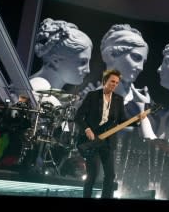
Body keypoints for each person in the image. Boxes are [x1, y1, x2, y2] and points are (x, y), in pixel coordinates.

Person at [74, 69, 127, 199]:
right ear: (105, 81)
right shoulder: (93, 96)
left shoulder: (118, 99)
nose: (114, 84)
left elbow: (123, 120)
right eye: (112, 81)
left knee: (110, 175)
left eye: (116, 82)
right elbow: (79, 117)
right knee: (93, 174)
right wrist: (87, 129)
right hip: (92, 141)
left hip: (108, 142)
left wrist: (139, 119)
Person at [100, 24, 155, 139]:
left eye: (143, 62)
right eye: (136, 57)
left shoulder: (145, 103)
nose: (141, 68)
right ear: (111, 55)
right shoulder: (89, 99)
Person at [30, 18, 92, 108]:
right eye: (82, 62)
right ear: (56, 61)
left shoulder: (46, 90)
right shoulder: (43, 97)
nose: (88, 70)